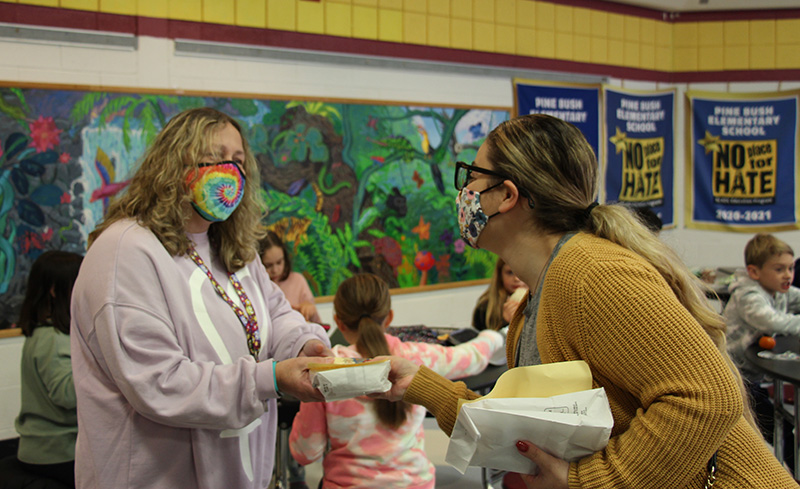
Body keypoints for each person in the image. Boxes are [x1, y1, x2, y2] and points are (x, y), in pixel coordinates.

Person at [377, 114, 797, 488]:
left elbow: (707, 396)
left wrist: (588, 481)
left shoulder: (592, 274)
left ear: (507, 195)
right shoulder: (540, 295)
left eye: (471, 176)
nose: (464, 190)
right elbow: (521, 428)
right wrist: (425, 387)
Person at [70, 107, 332, 489]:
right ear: (173, 165)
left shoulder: (234, 247)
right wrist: (270, 379)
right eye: (213, 158)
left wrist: (304, 344)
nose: (229, 172)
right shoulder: (125, 251)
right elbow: (159, 383)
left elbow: (274, 313)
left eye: (238, 161)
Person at [289, 273, 503, 489]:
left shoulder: (326, 370)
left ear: (338, 322)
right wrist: (495, 336)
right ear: (389, 317)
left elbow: (306, 452)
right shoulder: (416, 358)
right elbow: (472, 356)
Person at [723, 232, 800, 472]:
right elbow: (771, 322)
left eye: (790, 268)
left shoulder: (779, 289)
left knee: (775, 426)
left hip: (753, 374)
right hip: (735, 376)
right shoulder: (749, 295)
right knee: (774, 428)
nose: (787, 275)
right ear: (755, 272)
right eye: (779, 269)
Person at [14, 250, 83, 488]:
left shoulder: (44, 333)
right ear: (55, 290)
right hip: (55, 452)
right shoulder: (52, 339)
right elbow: (66, 394)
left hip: (47, 449)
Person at [259, 230, 322, 324]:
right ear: (258, 264)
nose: (275, 270)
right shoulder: (256, 288)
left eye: (279, 262)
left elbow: (318, 325)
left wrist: (310, 310)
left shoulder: (298, 280)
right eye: (268, 265)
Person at [472, 257, 526, 331]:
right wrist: (504, 321)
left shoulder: (540, 302)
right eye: (510, 273)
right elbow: (481, 340)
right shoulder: (485, 306)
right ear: (500, 275)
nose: (516, 279)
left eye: (522, 272)